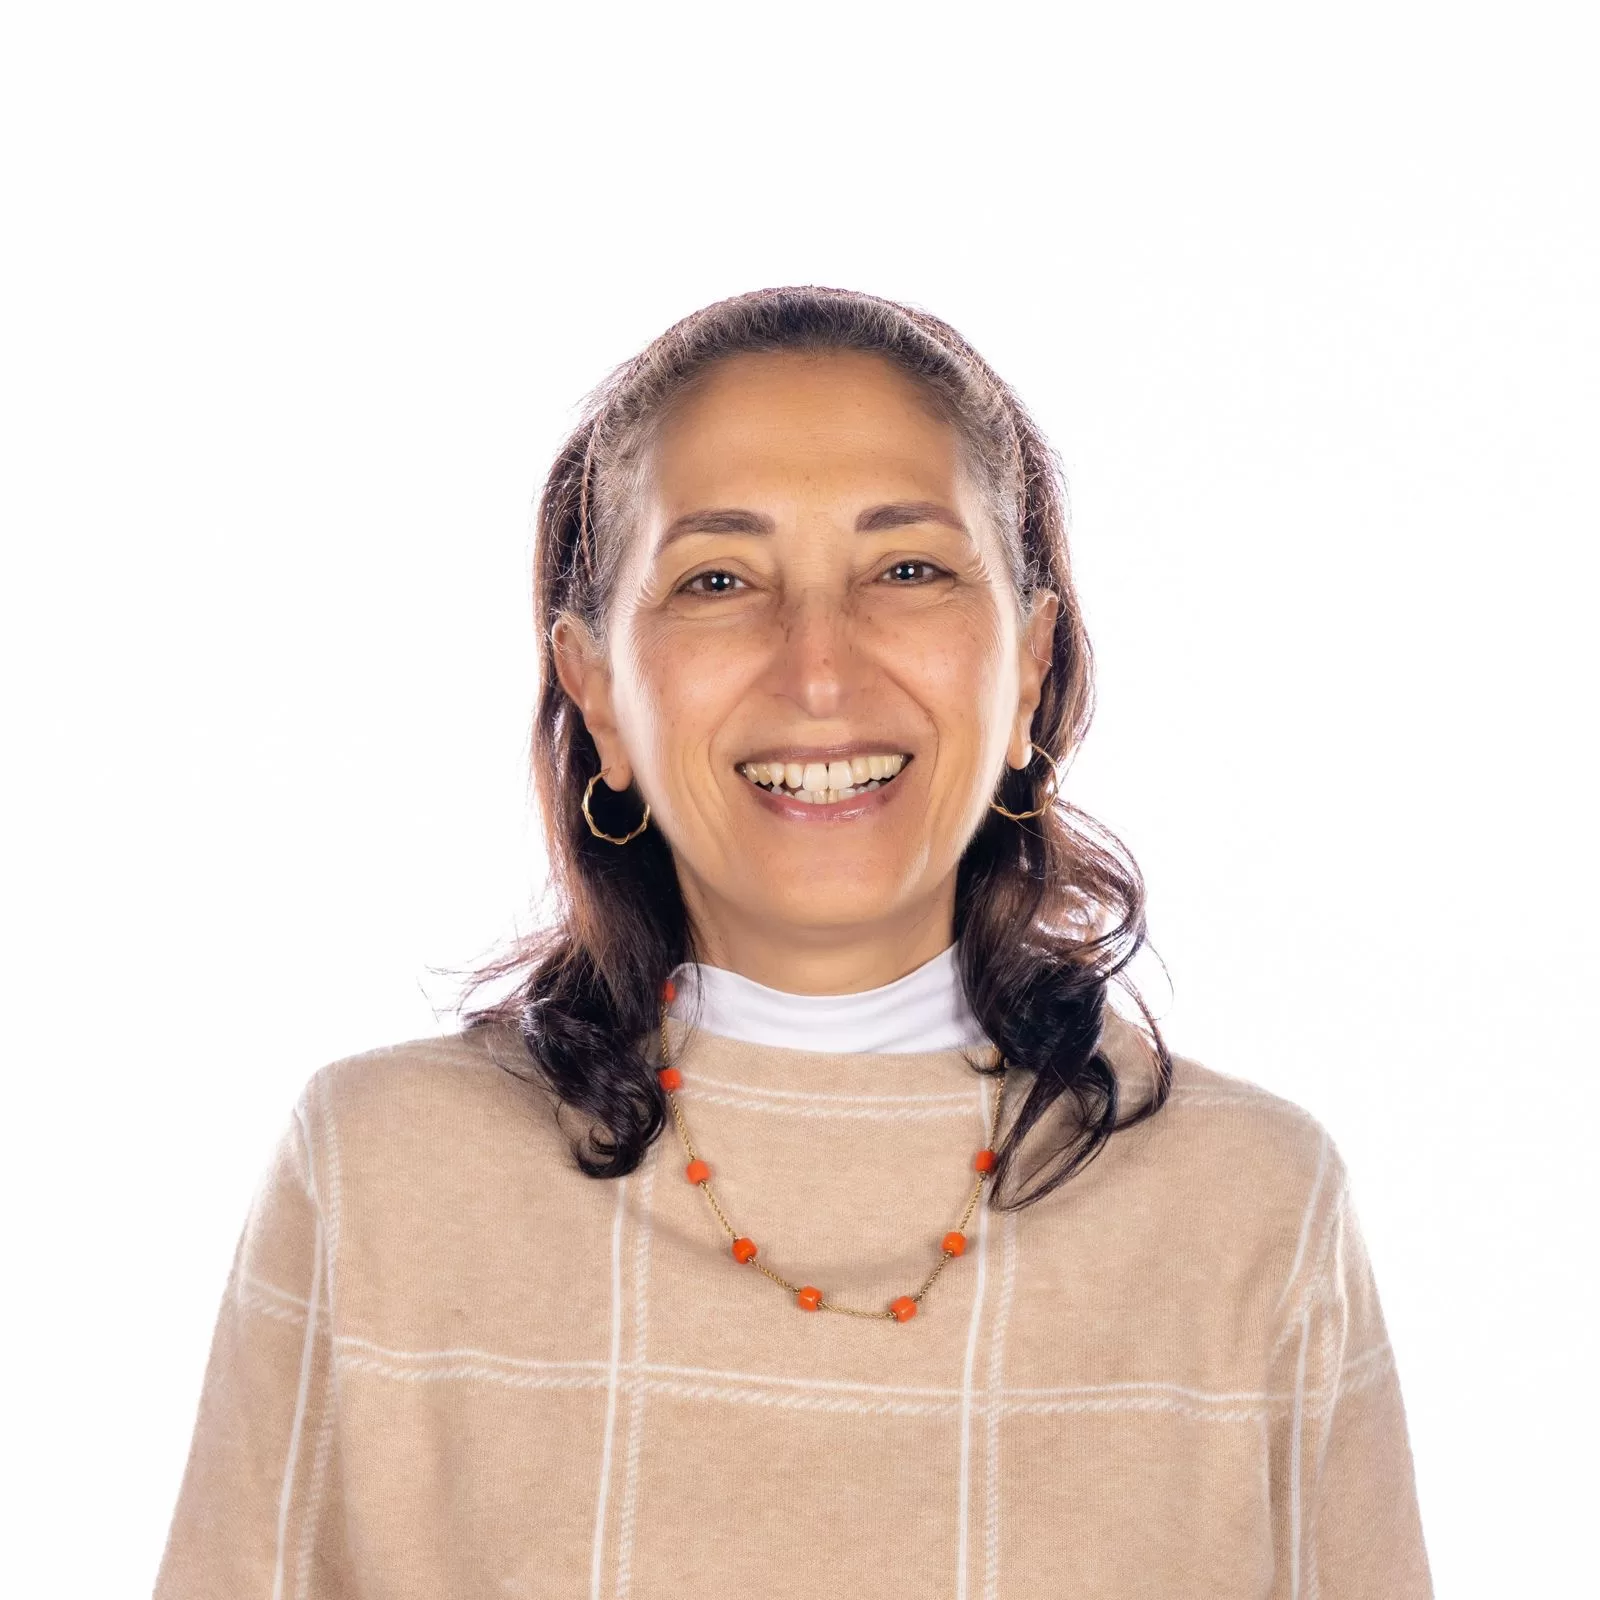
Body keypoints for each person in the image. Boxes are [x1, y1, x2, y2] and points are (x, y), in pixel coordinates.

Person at [155, 286, 1433, 1597]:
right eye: (717, 580)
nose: (819, 670)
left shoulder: (1250, 1208)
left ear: (1031, 668)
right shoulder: (382, 1180)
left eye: (908, 570)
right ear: (598, 692)